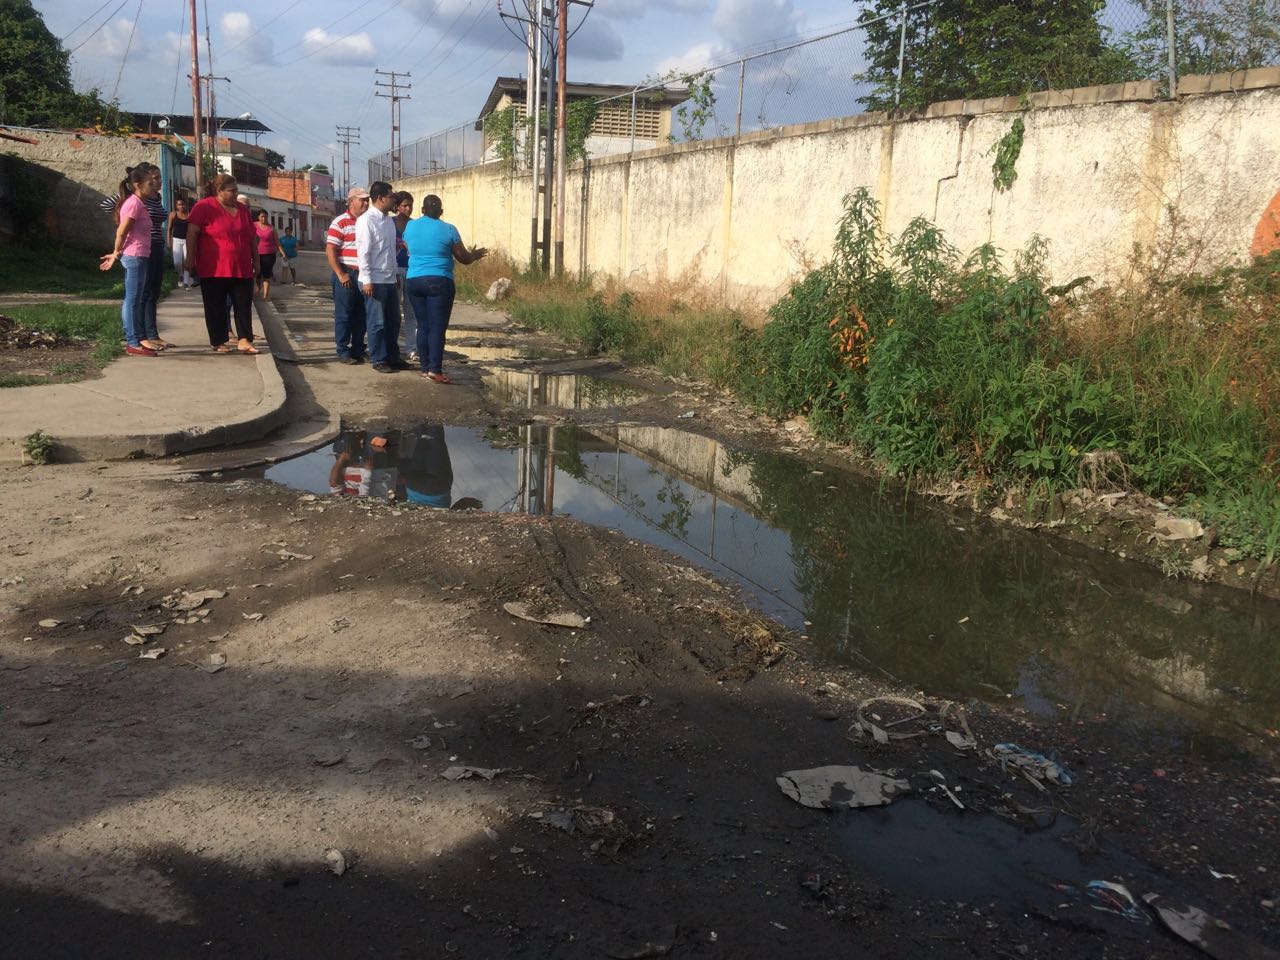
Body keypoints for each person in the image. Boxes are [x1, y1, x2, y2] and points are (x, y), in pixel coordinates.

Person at [402, 193, 487, 383]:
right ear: (441, 211)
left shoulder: (410, 226)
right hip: (439, 281)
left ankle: (425, 368)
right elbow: (463, 258)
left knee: (422, 326)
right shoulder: (449, 229)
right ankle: (435, 370)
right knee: (437, 328)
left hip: (414, 280)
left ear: (422, 210)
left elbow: (408, 245)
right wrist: (474, 255)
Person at [186, 173, 260, 354]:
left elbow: (251, 238)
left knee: (243, 305)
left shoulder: (243, 210)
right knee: (215, 306)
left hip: (241, 267)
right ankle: (218, 341)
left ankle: (244, 339)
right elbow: (192, 234)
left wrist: (257, 261)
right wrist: (190, 258)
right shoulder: (203, 207)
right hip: (213, 267)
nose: (235, 194)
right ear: (219, 191)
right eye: (231, 191)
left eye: (236, 190)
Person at [99, 166, 159, 357]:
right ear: (137, 185)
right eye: (150, 183)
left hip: (140, 256)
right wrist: (116, 253)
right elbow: (122, 231)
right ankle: (132, 341)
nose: (154, 187)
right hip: (134, 256)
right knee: (132, 300)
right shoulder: (134, 204)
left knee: (137, 299)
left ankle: (139, 339)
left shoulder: (139, 203)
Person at [355, 181, 406, 374]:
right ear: (380, 198)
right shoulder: (367, 220)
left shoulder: (388, 221)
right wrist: (366, 279)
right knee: (377, 322)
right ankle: (379, 359)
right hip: (374, 280)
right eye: (391, 196)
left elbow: (390, 251)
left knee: (394, 320)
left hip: (389, 279)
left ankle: (393, 357)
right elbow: (364, 252)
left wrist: (395, 274)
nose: (394, 199)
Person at [326, 186, 370, 364]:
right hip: (347, 272)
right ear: (352, 201)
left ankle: (358, 348)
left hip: (364, 274)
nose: (366, 203)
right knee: (344, 314)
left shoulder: (367, 222)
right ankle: (343, 350)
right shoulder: (341, 222)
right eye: (362, 200)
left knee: (362, 314)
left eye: (367, 200)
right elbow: (331, 249)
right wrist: (340, 273)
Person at [137, 164, 174, 351]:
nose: (158, 182)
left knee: (154, 292)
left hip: (157, 246)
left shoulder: (157, 198)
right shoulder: (137, 199)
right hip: (144, 248)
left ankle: (153, 334)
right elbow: (109, 205)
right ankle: (141, 336)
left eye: (159, 178)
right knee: (144, 293)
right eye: (154, 179)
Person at [391, 191, 417, 362]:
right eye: (405, 205)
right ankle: (392, 346)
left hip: (413, 270)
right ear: (397, 207)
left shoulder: (415, 225)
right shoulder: (389, 223)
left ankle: (411, 348)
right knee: (393, 312)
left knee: (411, 312)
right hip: (394, 271)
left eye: (410, 205)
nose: (408, 208)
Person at [253, 210, 285, 301]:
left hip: (269, 255)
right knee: (258, 274)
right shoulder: (254, 225)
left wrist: (283, 253)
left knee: (267, 275)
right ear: (258, 217)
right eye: (262, 216)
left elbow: (277, 242)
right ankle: (258, 289)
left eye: (266, 216)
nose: (264, 218)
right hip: (257, 255)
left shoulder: (271, 228)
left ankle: (266, 295)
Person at [167, 197, 194, 289]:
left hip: (187, 241)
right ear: (176, 206)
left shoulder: (190, 215)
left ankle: (186, 282)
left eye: (183, 204)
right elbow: (169, 229)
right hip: (176, 240)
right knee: (177, 262)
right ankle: (181, 275)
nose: (181, 206)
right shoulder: (173, 215)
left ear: (185, 205)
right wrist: (168, 241)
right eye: (179, 204)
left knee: (187, 261)